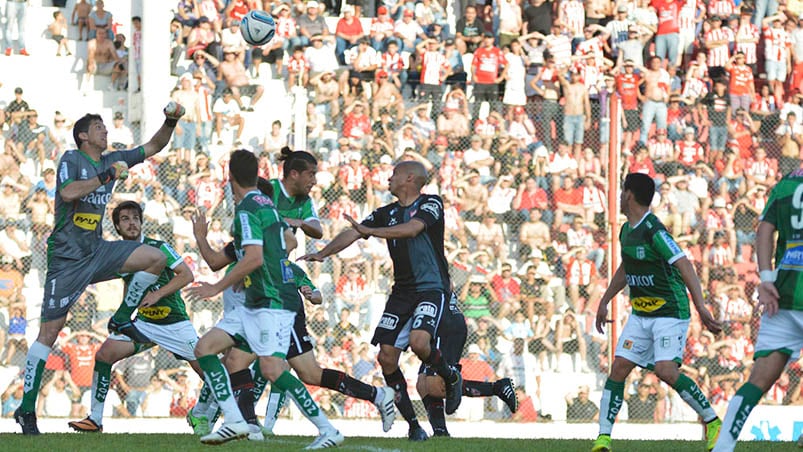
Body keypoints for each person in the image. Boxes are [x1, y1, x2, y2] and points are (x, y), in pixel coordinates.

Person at [14, 102, 185, 435]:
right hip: (65, 259)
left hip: (96, 250)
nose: (105, 131)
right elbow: (68, 191)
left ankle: (123, 317)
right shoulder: (72, 159)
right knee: (49, 333)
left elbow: (153, 147)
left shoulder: (111, 158)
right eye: (99, 128)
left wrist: (171, 120)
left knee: (155, 257)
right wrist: (108, 175)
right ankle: (25, 409)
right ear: (83, 136)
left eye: (105, 127)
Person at [187, 150, 344, 448]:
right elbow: (282, 242)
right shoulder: (266, 204)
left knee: (272, 369)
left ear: (230, 177)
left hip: (270, 303)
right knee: (205, 349)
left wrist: (216, 287)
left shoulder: (247, 208)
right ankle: (235, 421)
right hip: (258, 301)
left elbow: (255, 257)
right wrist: (201, 237)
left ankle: (327, 429)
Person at [300, 161, 464, 442]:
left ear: (409, 178)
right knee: (386, 357)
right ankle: (413, 426)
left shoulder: (431, 203)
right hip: (402, 292)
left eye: (394, 174)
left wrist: (370, 232)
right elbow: (354, 231)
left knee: (420, 343)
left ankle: (451, 375)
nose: (388, 178)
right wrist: (324, 253)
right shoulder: (386, 212)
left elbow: (412, 229)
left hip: (430, 288)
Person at [591, 173, 723, 452]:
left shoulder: (654, 230)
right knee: (619, 368)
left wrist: (700, 306)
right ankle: (603, 439)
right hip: (641, 313)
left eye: (621, 190)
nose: (619, 195)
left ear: (628, 195)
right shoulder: (626, 230)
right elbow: (627, 268)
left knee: (665, 371)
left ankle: (712, 421)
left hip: (670, 312)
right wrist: (605, 299)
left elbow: (685, 264)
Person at [67, 201, 200, 432]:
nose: (132, 223)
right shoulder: (119, 253)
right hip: (145, 324)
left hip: (175, 323)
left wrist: (158, 293)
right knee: (104, 354)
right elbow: (130, 289)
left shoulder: (158, 247)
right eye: (125, 219)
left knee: (208, 371)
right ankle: (95, 419)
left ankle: (227, 414)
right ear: (117, 227)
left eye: (135, 218)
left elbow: (187, 275)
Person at [713, 169, 803, 451]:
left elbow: (764, 229)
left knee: (759, 378)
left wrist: (765, 279)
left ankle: (723, 447)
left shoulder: (786, 183)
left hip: (783, 292)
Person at [416, 292, 519, 437]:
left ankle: (496, 388)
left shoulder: (432, 272)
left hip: (444, 324)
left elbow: (444, 285)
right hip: (435, 321)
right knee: (422, 384)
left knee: (435, 386)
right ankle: (440, 432)